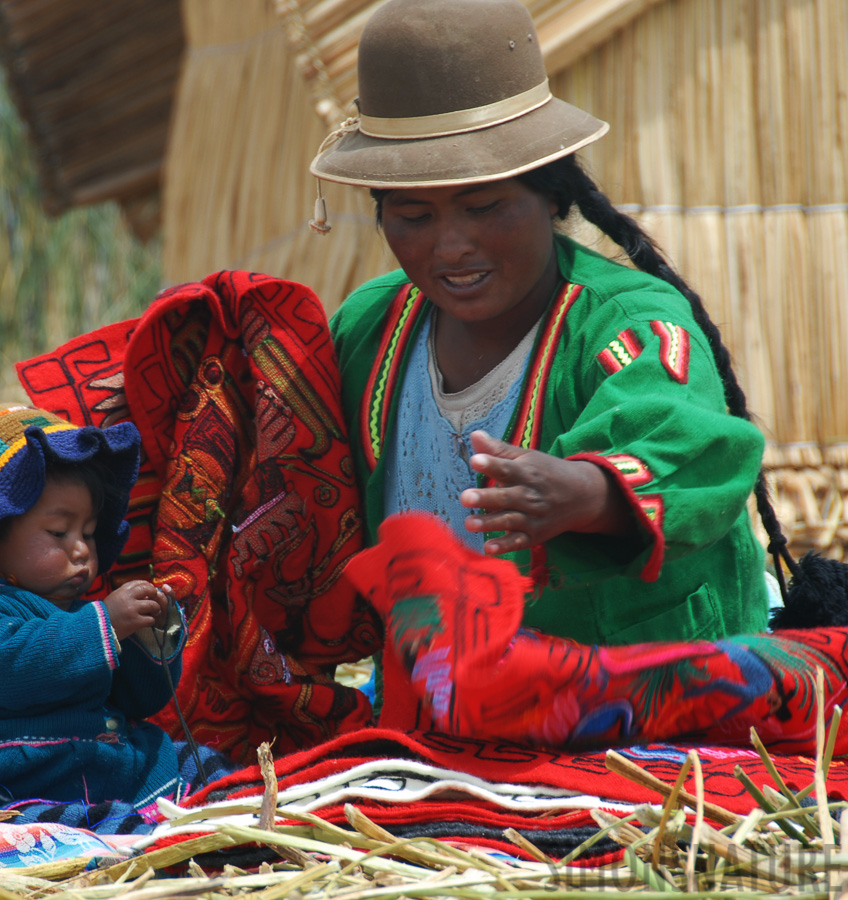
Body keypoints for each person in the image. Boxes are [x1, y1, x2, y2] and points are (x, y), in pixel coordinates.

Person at [313, 0, 782, 645]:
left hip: (641, 691)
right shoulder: (370, 328)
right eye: (414, 217)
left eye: (484, 207)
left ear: (553, 197)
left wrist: (588, 491)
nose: (451, 247)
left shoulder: (627, 325)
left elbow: (695, 449)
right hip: (435, 691)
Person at [0, 404, 220, 812]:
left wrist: (147, 636)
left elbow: (138, 701)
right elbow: (17, 667)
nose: (83, 549)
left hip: (98, 767)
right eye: (59, 532)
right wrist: (103, 624)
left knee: (203, 770)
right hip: (1, 782)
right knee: (39, 829)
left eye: (88, 532)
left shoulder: (76, 614)